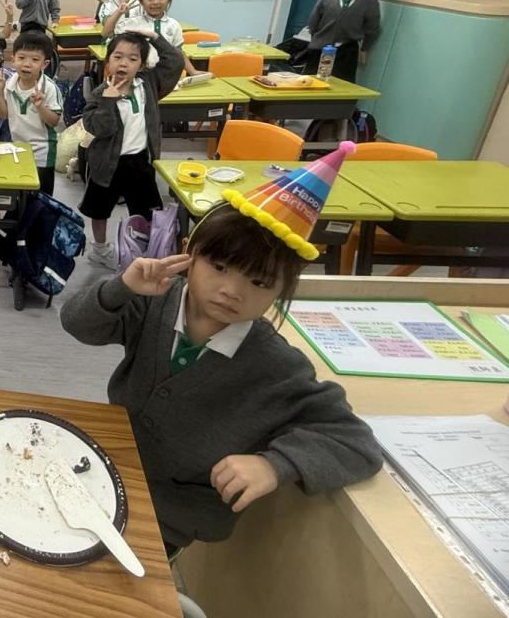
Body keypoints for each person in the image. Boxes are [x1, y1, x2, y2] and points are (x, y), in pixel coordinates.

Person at [60, 143, 382, 553]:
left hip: (168, 519)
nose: (232, 290)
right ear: (190, 253)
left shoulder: (276, 366)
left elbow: (356, 442)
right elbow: (78, 324)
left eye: (259, 282)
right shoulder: (156, 300)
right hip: (104, 470)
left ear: (281, 291)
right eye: (219, 267)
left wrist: (274, 464)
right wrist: (121, 287)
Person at [81, 30, 184, 270]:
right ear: (108, 61)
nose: (124, 63)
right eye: (117, 57)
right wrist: (108, 100)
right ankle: (100, 249)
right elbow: (100, 129)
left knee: (147, 210)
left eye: (132, 58)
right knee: (99, 209)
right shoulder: (99, 94)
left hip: (139, 161)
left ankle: (145, 249)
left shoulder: (148, 83)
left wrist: (155, 37)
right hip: (106, 163)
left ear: (142, 65)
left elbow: (176, 62)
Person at [0, 30, 63, 196]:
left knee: (41, 198)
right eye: (22, 58)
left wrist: (40, 107)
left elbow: (54, 122)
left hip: (42, 153)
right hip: (17, 149)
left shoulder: (49, 88)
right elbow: (4, 115)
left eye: (35, 60)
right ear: (13, 59)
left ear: (44, 64)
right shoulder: (9, 84)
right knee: (20, 195)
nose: (27, 64)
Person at [299, 0, 382, 82]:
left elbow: (372, 29)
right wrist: (318, 40)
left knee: (342, 83)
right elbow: (313, 23)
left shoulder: (370, 1)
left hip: (347, 50)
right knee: (310, 81)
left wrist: (364, 49)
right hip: (320, 48)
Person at [102, 0, 193, 71]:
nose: (155, 2)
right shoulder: (133, 23)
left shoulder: (174, 25)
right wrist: (119, 12)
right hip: (139, 73)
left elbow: (179, 53)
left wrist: (193, 71)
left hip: (165, 73)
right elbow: (106, 33)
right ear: (141, 1)